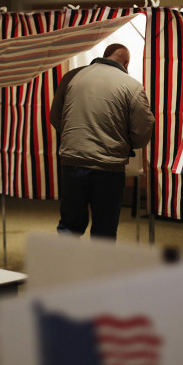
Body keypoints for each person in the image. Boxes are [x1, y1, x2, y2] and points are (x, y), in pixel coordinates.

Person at [49, 43, 155, 239]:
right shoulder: (131, 85)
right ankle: (98, 269)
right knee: (104, 232)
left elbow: (55, 117)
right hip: (109, 168)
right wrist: (127, 143)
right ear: (126, 63)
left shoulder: (71, 77)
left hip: (72, 162)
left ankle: (61, 268)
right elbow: (143, 129)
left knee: (69, 227)